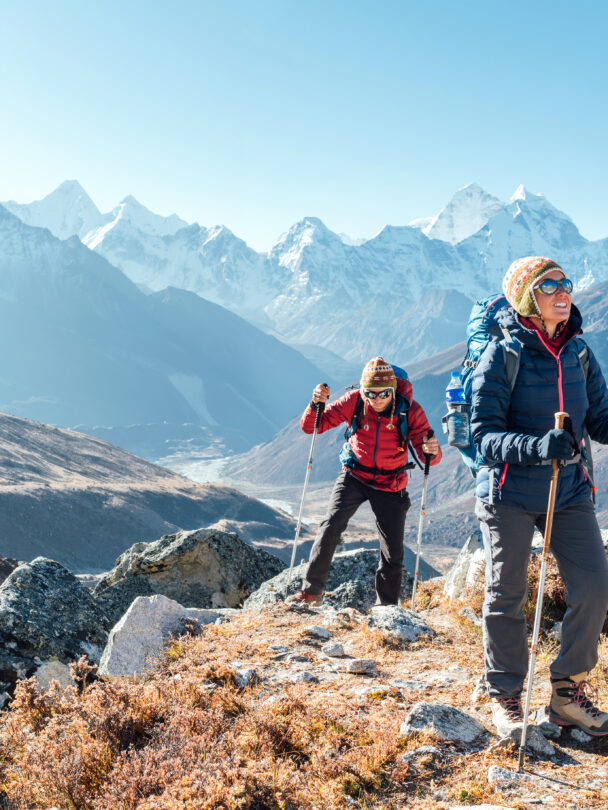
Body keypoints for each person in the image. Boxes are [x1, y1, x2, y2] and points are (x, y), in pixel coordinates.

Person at [471, 256, 608, 738]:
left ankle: (566, 694)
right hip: (508, 492)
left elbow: (601, 420)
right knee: (506, 595)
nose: (562, 290)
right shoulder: (502, 355)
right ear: (528, 299)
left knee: (594, 588)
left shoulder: (580, 354)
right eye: (548, 285)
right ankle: (506, 695)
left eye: (565, 282)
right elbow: (483, 436)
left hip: (568, 489)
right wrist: (535, 447)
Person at [289, 356, 440, 607]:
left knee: (393, 550)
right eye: (370, 393)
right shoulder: (354, 400)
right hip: (354, 475)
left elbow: (429, 457)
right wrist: (315, 404)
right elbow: (313, 426)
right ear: (363, 390)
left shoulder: (410, 410)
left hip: (391, 483)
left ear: (393, 390)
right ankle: (311, 592)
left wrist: (431, 450)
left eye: (384, 393)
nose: (377, 399)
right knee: (331, 525)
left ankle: (387, 607)